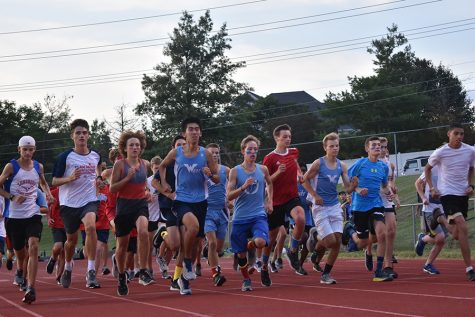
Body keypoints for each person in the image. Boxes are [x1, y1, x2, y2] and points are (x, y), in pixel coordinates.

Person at [159, 117, 219, 295]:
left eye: (196, 129)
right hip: (182, 200)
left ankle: (182, 279)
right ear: (185, 133)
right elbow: (162, 166)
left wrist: (210, 175)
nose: (194, 132)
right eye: (190, 129)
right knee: (192, 226)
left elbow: (217, 178)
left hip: (201, 201)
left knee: (196, 245)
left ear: (200, 132)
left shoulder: (205, 154)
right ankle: (185, 262)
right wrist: (164, 184)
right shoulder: (177, 153)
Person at [0, 135, 53, 304]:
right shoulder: (11, 167)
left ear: (34, 150)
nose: (28, 153)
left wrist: (49, 193)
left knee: (34, 246)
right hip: (14, 216)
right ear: (19, 150)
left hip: (33, 213)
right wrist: (11, 196)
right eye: (25, 150)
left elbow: (43, 183)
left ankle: (31, 287)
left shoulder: (38, 166)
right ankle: (20, 270)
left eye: (31, 150)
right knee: (20, 253)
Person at [52, 119, 103, 289]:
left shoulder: (95, 155)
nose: (82, 136)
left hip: (89, 200)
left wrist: (99, 179)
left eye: (84, 133)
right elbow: (54, 181)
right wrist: (70, 178)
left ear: (88, 135)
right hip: (68, 204)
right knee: (71, 241)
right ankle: (67, 266)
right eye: (78, 133)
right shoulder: (65, 157)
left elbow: (98, 171)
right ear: (72, 136)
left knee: (90, 227)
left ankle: (90, 271)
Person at [302, 132, 357, 284]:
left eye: (337, 145)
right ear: (325, 148)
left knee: (336, 242)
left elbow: (346, 188)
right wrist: (314, 195)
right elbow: (303, 180)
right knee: (329, 241)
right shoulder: (318, 163)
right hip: (320, 206)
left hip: (334, 205)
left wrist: (353, 186)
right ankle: (316, 236)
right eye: (331, 146)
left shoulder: (342, 165)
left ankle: (326, 274)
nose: (335, 148)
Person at [425, 123, 475, 281]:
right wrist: (432, 188)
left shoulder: (470, 150)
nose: (459, 137)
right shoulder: (440, 152)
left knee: (456, 234)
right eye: (456, 133)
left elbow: (471, 169)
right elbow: (427, 169)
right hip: (447, 193)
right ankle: (469, 268)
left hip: (462, 194)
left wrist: (471, 185)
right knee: (463, 226)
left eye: (462, 134)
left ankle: (439, 217)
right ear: (449, 134)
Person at [342, 136, 394, 282]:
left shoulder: (383, 166)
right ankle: (349, 230)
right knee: (362, 243)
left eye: (379, 145)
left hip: (376, 205)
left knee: (382, 234)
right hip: (359, 208)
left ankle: (379, 272)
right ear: (367, 149)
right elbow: (346, 186)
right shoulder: (359, 164)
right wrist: (357, 189)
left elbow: (384, 186)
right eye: (374, 146)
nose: (378, 147)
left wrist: (389, 193)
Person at [110, 130, 154, 296]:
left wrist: (148, 192)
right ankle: (122, 275)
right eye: (131, 145)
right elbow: (112, 188)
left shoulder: (145, 164)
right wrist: (128, 177)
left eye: (137, 145)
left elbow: (145, 184)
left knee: (143, 230)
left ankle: (143, 270)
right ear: (125, 148)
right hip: (124, 206)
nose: (135, 147)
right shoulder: (120, 165)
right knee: (122, 246)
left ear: (141, 147)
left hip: (140, 204)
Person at [227, 135, 273, 291]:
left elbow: (269, 183)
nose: (253, 152)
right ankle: (246, 279)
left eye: (255, 149)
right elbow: (228, 196)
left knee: (260, 242)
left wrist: (269, 201)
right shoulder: (235, 171)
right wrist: (243, 187)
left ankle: (250, 244)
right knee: (241, 255)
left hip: (258, 215)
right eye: (249, 150)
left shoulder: (262, 169)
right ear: (243, 151)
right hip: (240, 217)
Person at [262, 124, 305, 285]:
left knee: (300, 218)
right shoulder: (270, 158)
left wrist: (300, 175)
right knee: (271, 239)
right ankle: (265, 266)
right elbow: (267, 182)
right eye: (284, 136)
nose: (288, 139)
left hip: (291, 197)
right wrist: (278, 172)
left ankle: (292, 250)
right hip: (276, 201)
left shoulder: (294, 152)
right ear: (276, 138)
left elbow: (295, 165)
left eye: (289, 136)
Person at [152, 135, 186, 287]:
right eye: (178, 145)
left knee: (185, 244)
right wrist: (168, 194)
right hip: (169, 206)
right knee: (174, 245)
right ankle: (162, 233)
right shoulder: (168, 164)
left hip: (186, 205)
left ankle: (176, 279)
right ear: (173, 147)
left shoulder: (191, 163)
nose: (181, 147)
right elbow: (154, 181)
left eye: (184, 145)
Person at [364, 137, 399, 277]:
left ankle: (388, 265)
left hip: (386, 201)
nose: (382, 149)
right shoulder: (368, 163)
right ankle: (368, 250)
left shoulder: (389, 165)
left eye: (384, 147)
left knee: (391, 230)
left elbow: (389, 183)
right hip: (373, 202)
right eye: (380, 146)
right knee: (376, 237)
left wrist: (394, 194)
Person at [204, 143, 230, 286]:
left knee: (218, 248)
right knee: (212, 242)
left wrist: (231, 199)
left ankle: (209, 251)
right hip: (207, 211)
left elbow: (234, 184)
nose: (214, 155)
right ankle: (216, 273)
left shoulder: (226, 170)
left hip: (222, 212)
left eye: (216, 152)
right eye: (211, 153)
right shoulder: (202, 170)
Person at [414, 166, 446, 274]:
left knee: (441, 240)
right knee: (440, 237)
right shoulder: (433, 169)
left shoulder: (452, 169)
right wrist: (423, 197)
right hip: (430, 209)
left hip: (446, 209)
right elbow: (417, 183)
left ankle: (423, 239)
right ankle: (428, 264)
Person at [46, 186, 66, 284]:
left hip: (69, 225)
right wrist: (49, 218)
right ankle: (53, 258)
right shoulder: (54, 193)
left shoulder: (74, 192)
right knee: (58, 246)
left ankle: (59, 277)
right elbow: (46, 205)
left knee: (64, 253)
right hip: (57, 224)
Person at [146, 156, 162, 278]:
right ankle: (149, 269)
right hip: (151, 216)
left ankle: (163, 263)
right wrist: (147, 198)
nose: (157, 171)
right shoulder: (147, 181)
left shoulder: (166, 180)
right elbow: (141, 197)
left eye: (159, 168)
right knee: (149, 245)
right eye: (155, 168)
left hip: (163, 215)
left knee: (169, 241)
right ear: (151, 168)